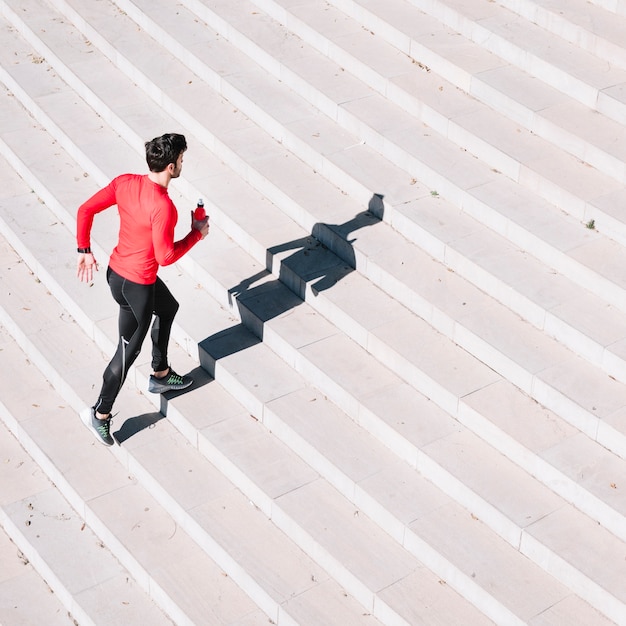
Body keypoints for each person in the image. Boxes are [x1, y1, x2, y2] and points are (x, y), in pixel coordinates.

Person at [76, 133, 209, 446]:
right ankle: (99, 414)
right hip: (137, 286)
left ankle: (161, 375)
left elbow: (85, 209)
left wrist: (84, 249)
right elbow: (165, 257)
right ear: (171, 166)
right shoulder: (163, 206)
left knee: (168, 307)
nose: (183, 164)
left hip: (116, 275)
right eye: (182, 160)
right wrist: (196, 235)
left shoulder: (125, 182)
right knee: (126, 352)